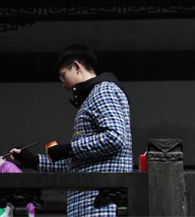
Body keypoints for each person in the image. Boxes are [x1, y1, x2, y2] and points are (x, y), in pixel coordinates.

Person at [10, 44, 132, 217]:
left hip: (101, 204)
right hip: (91, 203)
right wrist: (34, 160)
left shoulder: (103, 90)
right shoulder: (94, 95)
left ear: (76, 66)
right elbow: (78, 163)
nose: (63, 84)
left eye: (63, 76)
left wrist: (69, 148)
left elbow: (115, 137)